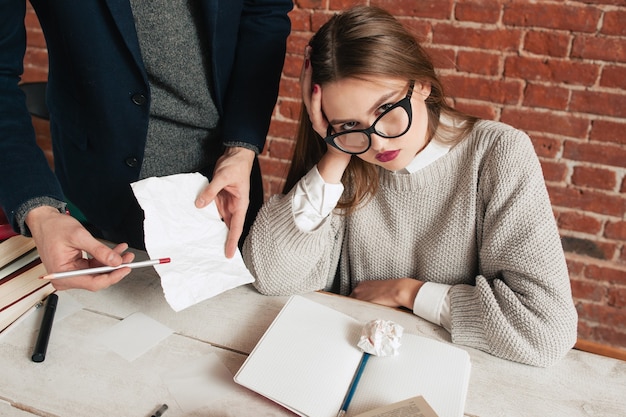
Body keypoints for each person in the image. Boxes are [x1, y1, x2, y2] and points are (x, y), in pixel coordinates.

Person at [243, 5, 578, 367]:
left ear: (421, 84)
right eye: (349, 123)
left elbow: (546, 331)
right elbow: (270, 276)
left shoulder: (497, 153)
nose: (378, 142)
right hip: (343, 361)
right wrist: (335, 151)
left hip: (453, 370)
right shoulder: (348, 154)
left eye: (386, 109)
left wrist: (409, 292)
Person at [0, 1, 292, 291]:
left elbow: (264, 12)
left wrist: (241, 148)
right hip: (101, 188)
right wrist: (39, 212)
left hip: (226, 180)